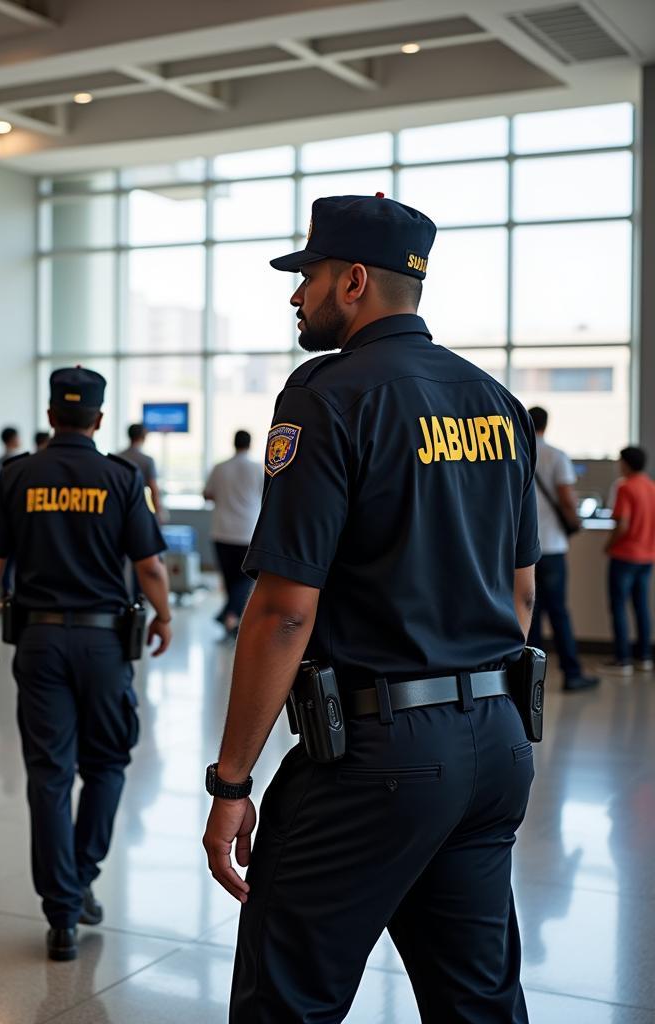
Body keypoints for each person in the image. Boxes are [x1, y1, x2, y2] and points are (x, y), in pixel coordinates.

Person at [201, 195, 541, 1023]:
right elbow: (521, 589)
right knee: (479, 1004)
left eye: (307, 276)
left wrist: (232, 781)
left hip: (376, 757)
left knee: (287, 1000)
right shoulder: (493, 400)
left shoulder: (329, 395)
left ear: (353, 281)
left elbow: (284, 609)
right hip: (496, 747)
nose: (295, 296)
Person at [0, 367, 173, 963]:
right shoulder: (122, 476)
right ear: (100, 420)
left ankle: (61, 912)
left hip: (38, 644)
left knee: (49, 773)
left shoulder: (18, 475)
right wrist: (163, 615)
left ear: (52, 414)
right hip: (105, 646)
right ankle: (83, 874)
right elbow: (151, 566)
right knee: (108, 762)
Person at [526, 407, 598, 692]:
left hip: (524, 549)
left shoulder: (518, 451)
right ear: (547, 424)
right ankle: (571, 673)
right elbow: (567, 500)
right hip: (553, 546)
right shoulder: (556, 455)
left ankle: (527, 679)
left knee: (527, 611)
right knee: (558, 612)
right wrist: (575, 524)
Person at [204, 430, 263, 638]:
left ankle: (229, 615)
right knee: (245, 579)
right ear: (250, 444)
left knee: (230, 578)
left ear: (233, 443)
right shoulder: (258, 468)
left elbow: (207, 494)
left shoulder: (219, 468)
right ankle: (232, 616)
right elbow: (266, 496)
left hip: (221, 531)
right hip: (247, 532)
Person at [604, 445, 655, 675]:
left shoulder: (626, 488)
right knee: (641, 606)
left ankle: (622, 660)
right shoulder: (651, 487)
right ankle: (644, 657)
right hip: (647, 556)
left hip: (625, 556)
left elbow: (622, 524)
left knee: (619, 607)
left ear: (626, 463)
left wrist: (609, 545)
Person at [118, 424, 162, 519]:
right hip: (139, 510)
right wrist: (159, 512)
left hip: (118, 508)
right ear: (144, 437)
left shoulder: (117, 457)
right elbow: (153, 489)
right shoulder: (147, 460)